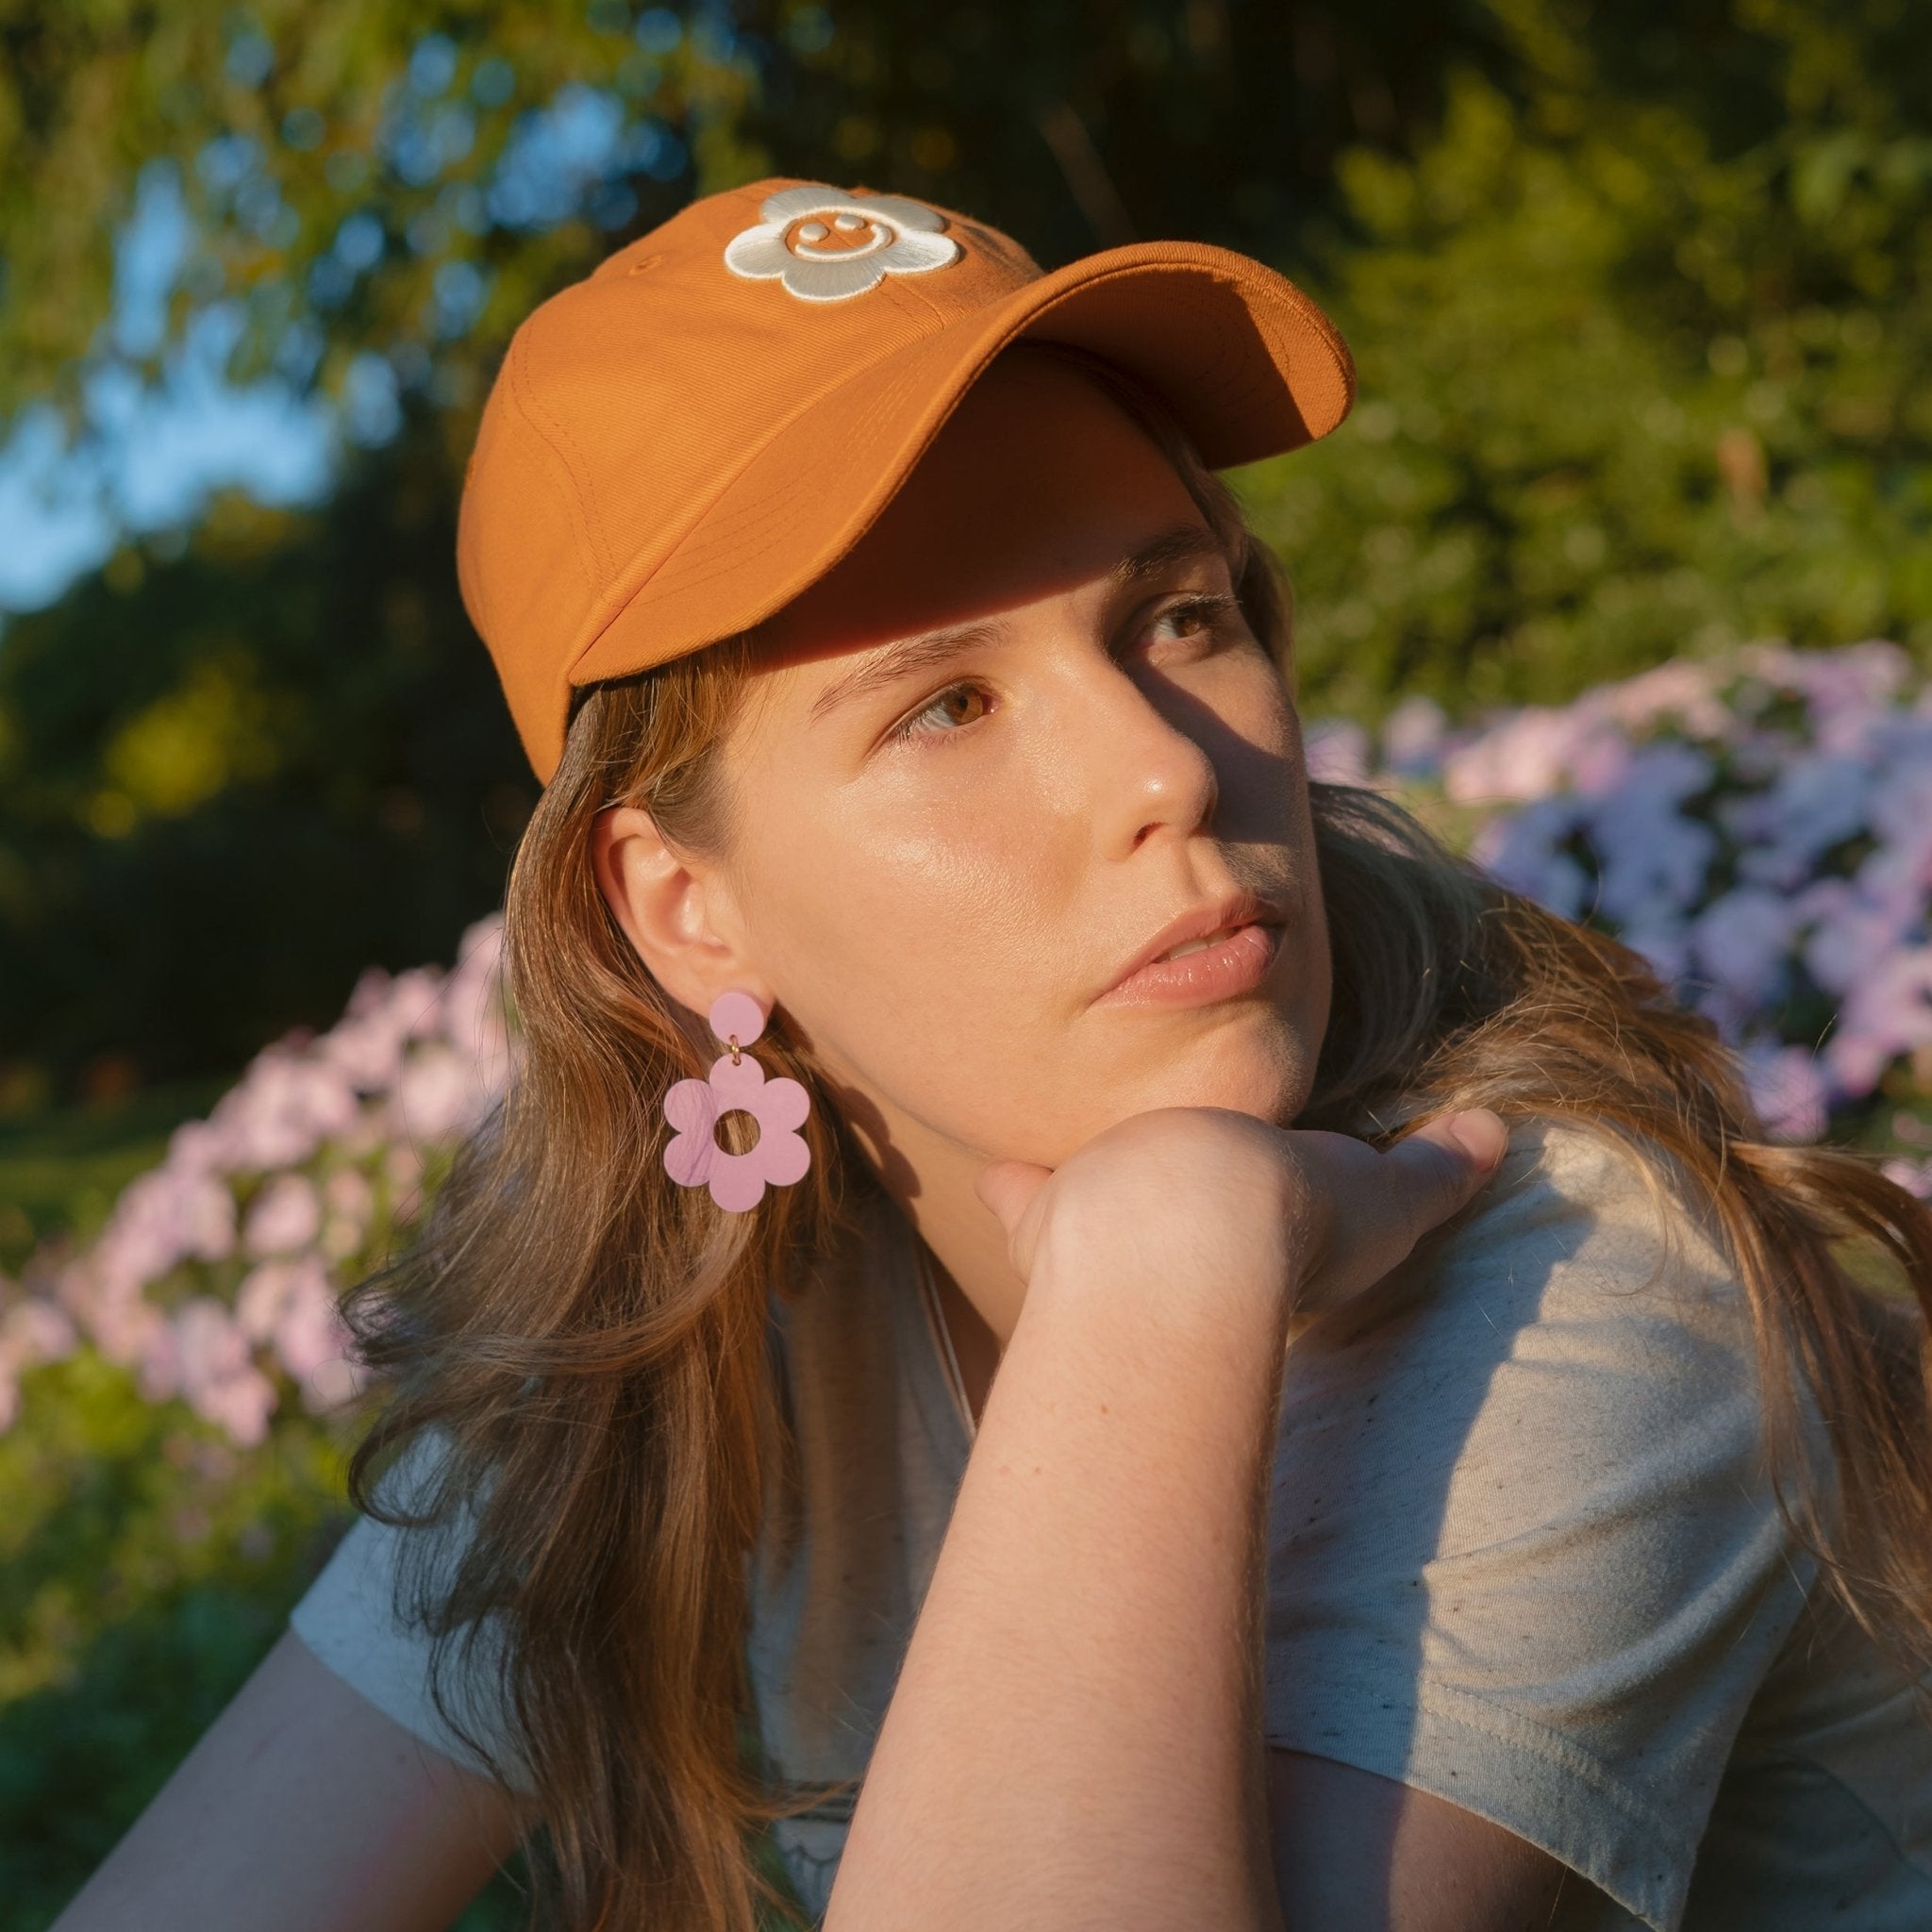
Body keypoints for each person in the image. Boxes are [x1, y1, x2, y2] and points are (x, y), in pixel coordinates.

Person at [51, 180, 1932, 1932]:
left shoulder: (1583, 1274)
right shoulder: (661, 1321)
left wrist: (1158, 1271)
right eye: (946, 701)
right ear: (683, 908)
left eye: (1178, 614)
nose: (1167, 767)